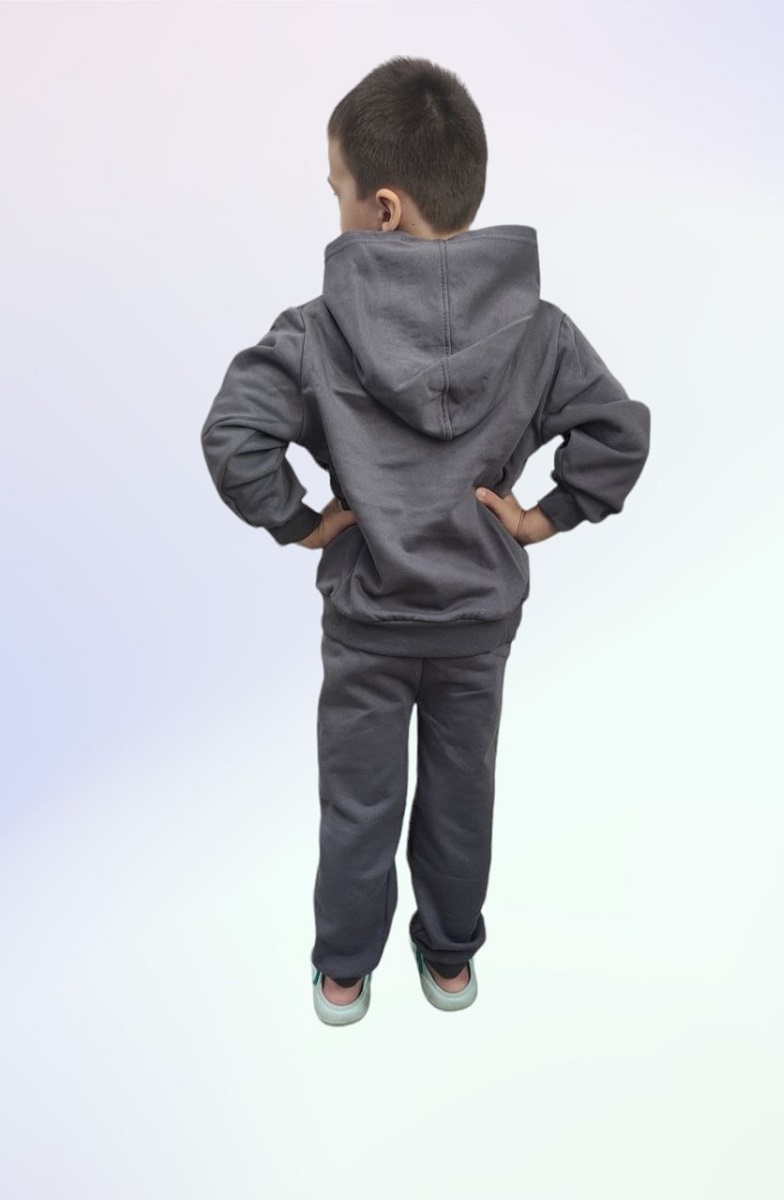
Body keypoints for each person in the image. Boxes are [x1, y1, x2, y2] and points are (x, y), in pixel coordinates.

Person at [200, 56, 651, 1026]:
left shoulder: (315, 333)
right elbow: (618, 434)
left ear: (383, 209)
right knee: (460, 797)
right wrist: (541, 518)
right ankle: (449, 960)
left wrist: (302, 523)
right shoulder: (542, 334)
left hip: (367, 623)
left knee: (359, 803)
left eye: (336, 189)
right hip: (477, 624)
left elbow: (234, 436)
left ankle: (343, 973)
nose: (334, 207)